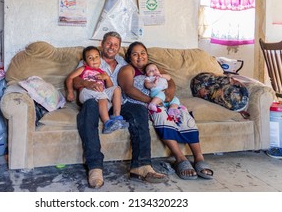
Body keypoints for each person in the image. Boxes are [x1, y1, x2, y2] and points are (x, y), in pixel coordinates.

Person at [73, 32, 167, 189]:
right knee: (88, 108)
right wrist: (87, 84)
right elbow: (75, 80)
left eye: (115, 44)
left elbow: (150, 76)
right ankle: (95, 167)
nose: (111, 47)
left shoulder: (123, 63)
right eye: (109, 43)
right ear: (102, 43)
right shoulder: (92, 58)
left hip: (118, 102)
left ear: (119, 47)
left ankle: (141, 165)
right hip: (96, 100)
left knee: (139, 110)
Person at [118, 41, 214, 180]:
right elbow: (128, 89)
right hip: (150, 104)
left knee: (184, 116)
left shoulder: (153, 68)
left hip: (167, 101)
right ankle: (180, 159)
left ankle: (199, 158)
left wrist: (168, 94)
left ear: (147, 55)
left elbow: (170, 81)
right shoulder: (128, 69)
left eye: (143, 53)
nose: (140, 57)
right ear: (129, 57)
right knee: (161, 116)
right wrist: (152, 101)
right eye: (135, 54)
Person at [65, 45, 127, 134]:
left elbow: (110, 87)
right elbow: (70, 78)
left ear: (100, 59)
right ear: (85, 62)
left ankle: (116, 117)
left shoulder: (103, 72)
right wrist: (70, 92)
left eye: (96, 57)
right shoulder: (84, 68)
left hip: (100, 93)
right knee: (101, 96)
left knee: (117, 89)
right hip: (86, 92)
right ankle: (107, 123)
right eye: (90, 58)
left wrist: (107, 78)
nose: (94, 59)